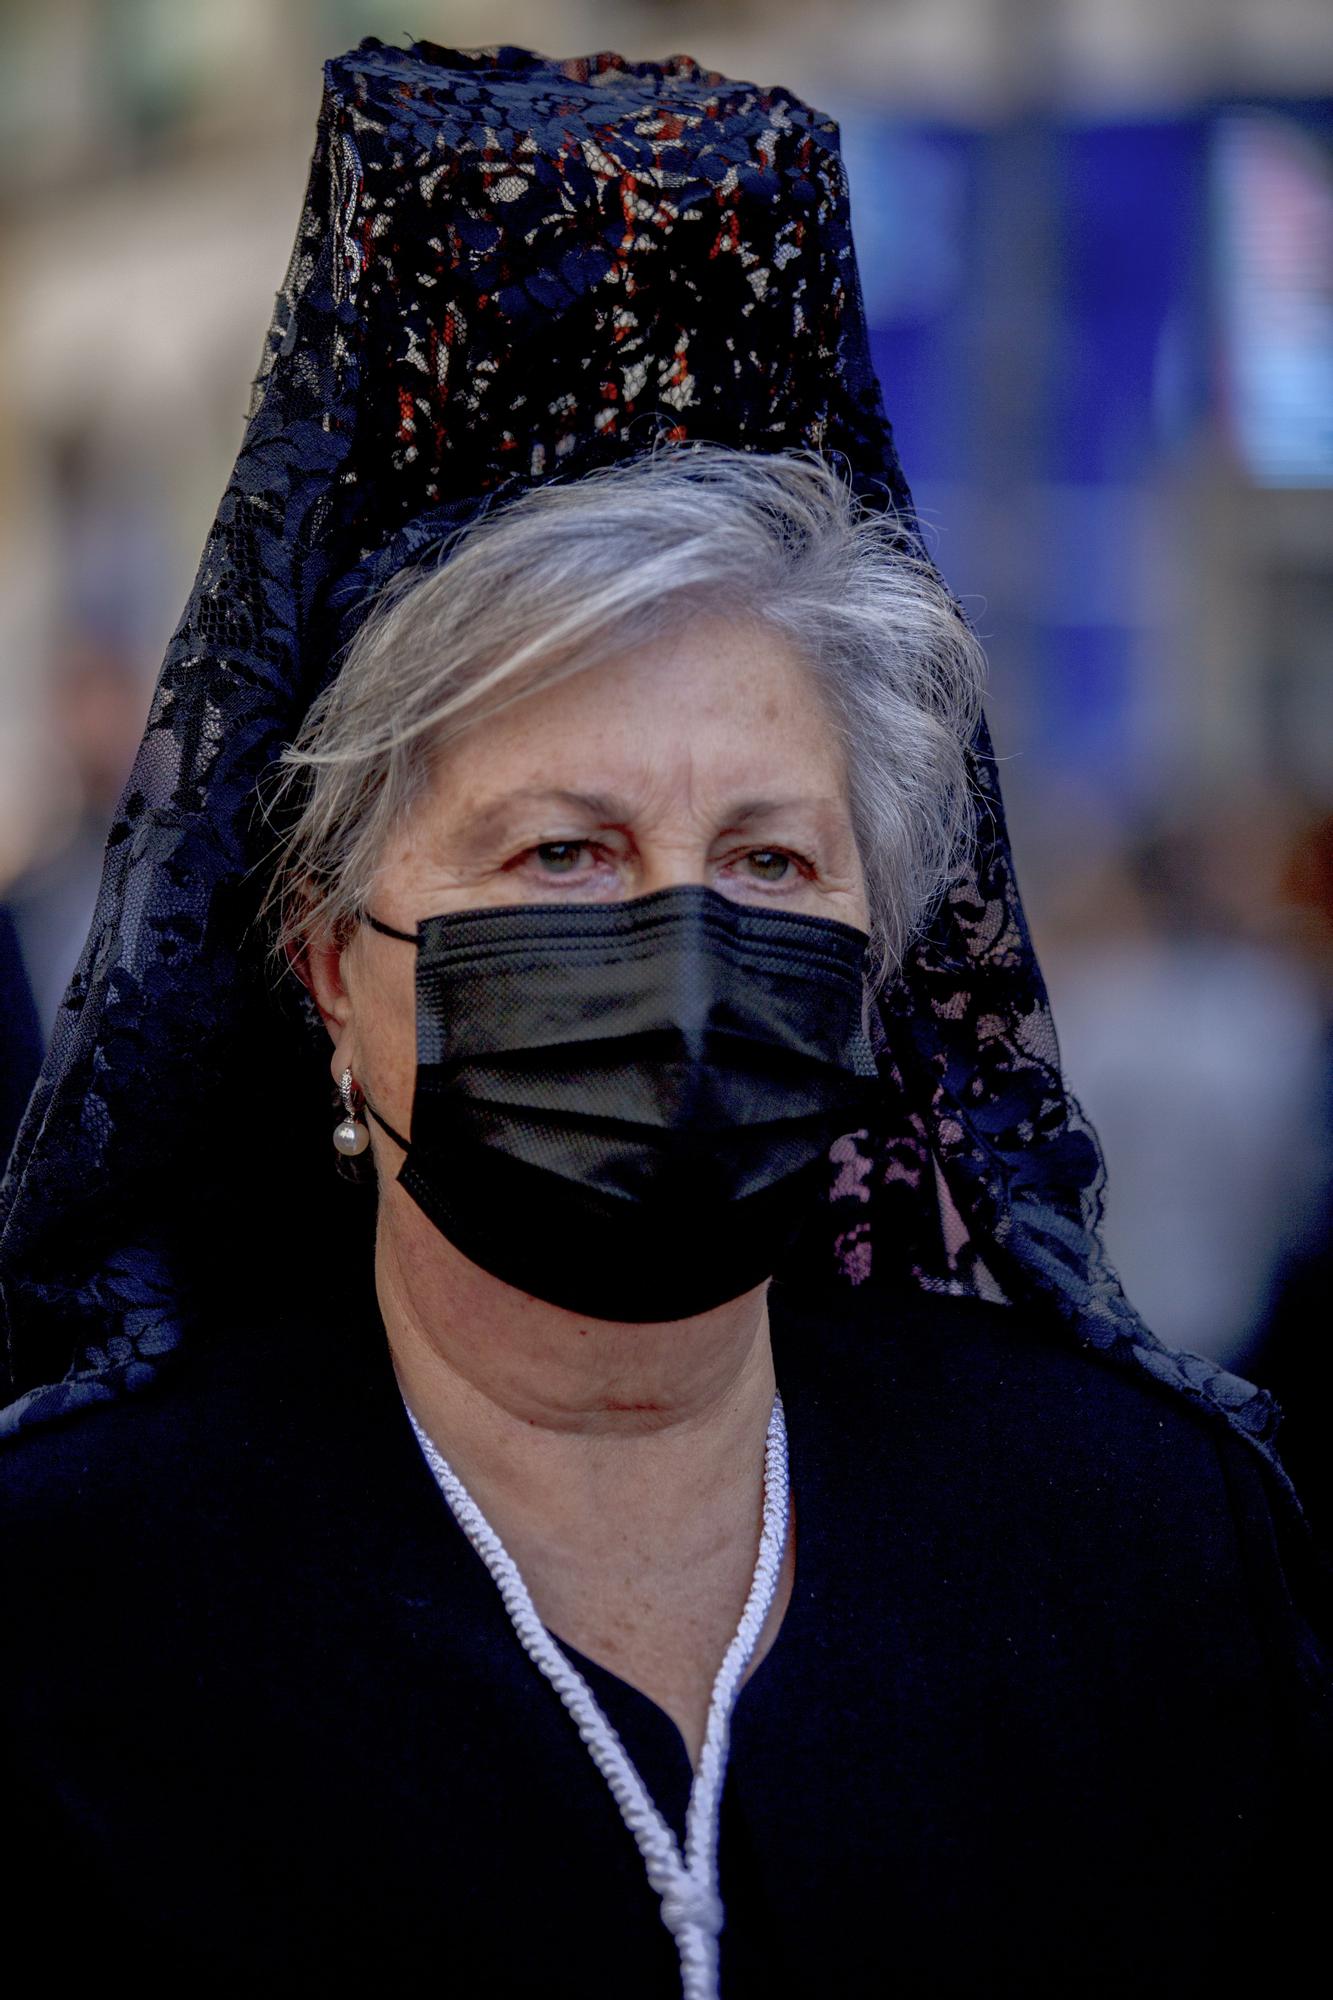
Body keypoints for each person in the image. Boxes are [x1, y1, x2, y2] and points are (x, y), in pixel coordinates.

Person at [0, 42, 1327, 2000]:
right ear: (326, 964)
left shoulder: (1138, 1550)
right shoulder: (67, 1605)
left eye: (774, 862)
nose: (683, 950)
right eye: (559, 850)